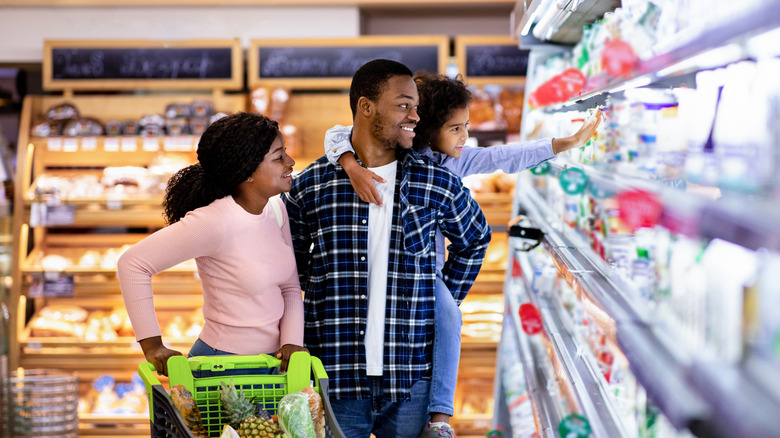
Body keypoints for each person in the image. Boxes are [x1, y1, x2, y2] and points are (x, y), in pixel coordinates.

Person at [324, 72, 602, 437]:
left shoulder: (455, 163)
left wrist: (563, 143)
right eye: (455, 128)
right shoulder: (393, 149)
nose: (464, 136)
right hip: (375, 275)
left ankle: (439, 415)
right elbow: (335, 134)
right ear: (426, 127)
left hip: (426, 276)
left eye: (465, 127)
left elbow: (504, 157)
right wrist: (349, 164)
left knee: (449, 317)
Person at [283, 60, 491, 438]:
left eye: (416, 106)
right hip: (335, 377)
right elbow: (289, 269)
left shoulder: (435, 182)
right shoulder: (312, 186)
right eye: (403, 105)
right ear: (366, 107)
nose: (416, 115)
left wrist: (440, 298)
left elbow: (475, 239)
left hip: (410, 380)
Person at [118, 112, 306, 376]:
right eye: (278, 157)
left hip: (273, 366)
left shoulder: (275, 209)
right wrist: (152, 346)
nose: (290, 162)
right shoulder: (215, 221)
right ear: (247, 172)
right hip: (223, 368)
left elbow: (289, 287)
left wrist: (292, 343)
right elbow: (132, 264)